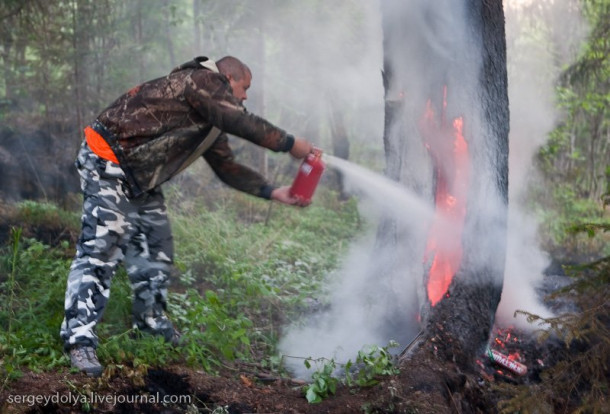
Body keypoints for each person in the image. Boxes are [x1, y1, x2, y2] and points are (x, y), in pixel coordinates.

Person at [60, 56, 314, 377]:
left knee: (157, 247)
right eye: (244, 87)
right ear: (228, 77)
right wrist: (289, 144)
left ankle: (151, 324)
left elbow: (227, 168)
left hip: (139, 174)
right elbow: (241, 120)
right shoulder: (203, 80)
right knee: (102, 246)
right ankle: (78, 338)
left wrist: (271, 191)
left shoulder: (210, 117)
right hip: (107, 158)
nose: (246, 96)